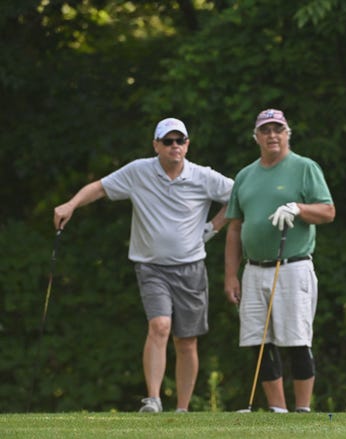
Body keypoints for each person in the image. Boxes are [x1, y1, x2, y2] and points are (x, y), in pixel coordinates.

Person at [53, 117, 234, 413]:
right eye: (168, 141)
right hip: (151, 267)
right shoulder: (139, 171)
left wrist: (213, 227)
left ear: (187, 145)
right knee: (160, 325)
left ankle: (183, 409)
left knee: (186, 340)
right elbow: (99, 188)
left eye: (180, 140)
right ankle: (153, 399)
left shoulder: (204, 176)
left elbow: (238, 197)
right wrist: (70, 205)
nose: (174, 146)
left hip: (191, 267)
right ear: (156, 145)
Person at [224, 109, 335, 413]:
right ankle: (277, 409)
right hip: (253, 268)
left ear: (288, 133)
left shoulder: (304, 167)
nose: (272, 135)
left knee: (297, 339)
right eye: (265, 130)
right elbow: (234, 227)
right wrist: (231, 275)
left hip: (292, 265)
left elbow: (327, 212)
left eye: (278, 129)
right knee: (259, 342)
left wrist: (299, 209)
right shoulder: (245, 175)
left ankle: (302, 409)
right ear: (256, 137)